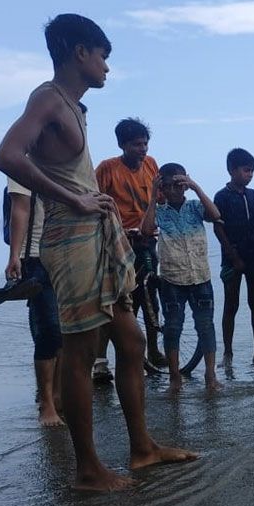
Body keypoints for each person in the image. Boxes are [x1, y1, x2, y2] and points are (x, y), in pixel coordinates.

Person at [0, 14, 196, 491]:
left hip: (98, 235)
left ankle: (142, 449)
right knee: (80, 353)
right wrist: (74, 199)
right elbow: (7, 155)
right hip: (71, 237)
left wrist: (88, 201)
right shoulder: (48, 97)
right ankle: (87, 469)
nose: (106, 66)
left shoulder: (73, 105)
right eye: (103, 55)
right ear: (79, 52)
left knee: (131, 343)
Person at [140, 164, 223, 391]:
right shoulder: (160, 211)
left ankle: (210, 375)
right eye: (169, 186)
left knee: (206, 326)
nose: (175, 190)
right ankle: (174, 377)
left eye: (179, 184)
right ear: (162, 188)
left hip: (200, 276)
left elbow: (215, 214)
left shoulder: (195, 206)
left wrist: (195, 187)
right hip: (172, 279)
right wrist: (152, 197)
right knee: (173, 328)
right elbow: (146, 229)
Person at [93, 118, 163, 378]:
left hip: (146, 240)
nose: (142, 149)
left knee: (150, 296)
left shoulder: (151, 165)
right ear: (123, 145)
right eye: (136, 145)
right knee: (117, 300)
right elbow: (94, 202)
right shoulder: (107, 169)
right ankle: (101, 360)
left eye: (145, 144)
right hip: (116, 244)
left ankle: (154, 352)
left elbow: (159, 199)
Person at [5, 177, 64, 426]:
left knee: (65, 330)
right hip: (36, 258)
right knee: (48, 330)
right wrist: (15, 256)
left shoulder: (60, 162)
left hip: (65, 253)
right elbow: (20, 207)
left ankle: (59, 396)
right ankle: (47, 404)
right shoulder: (22, 165)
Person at [212, 148, 254, 365]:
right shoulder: (221, 196)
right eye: (246, 170)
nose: (249, 175)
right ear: (231, 170)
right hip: (231, 256)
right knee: (230, 305)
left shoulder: (253, 195)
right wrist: (232, 255)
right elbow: (218, 228)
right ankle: (228, 352)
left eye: (252, 171)